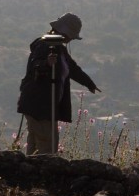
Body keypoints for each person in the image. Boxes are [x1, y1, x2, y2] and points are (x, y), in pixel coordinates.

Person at [17, 12, 100, 155]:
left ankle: (31, 173)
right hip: (39, 106)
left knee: (36, 143)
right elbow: (34, 65)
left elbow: (72, 68)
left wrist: (89, 83)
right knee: (47, 147)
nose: (70, 39)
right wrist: (47, 64)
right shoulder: (44, 46)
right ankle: (43, 174)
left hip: (46, 106)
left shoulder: (59, 48)